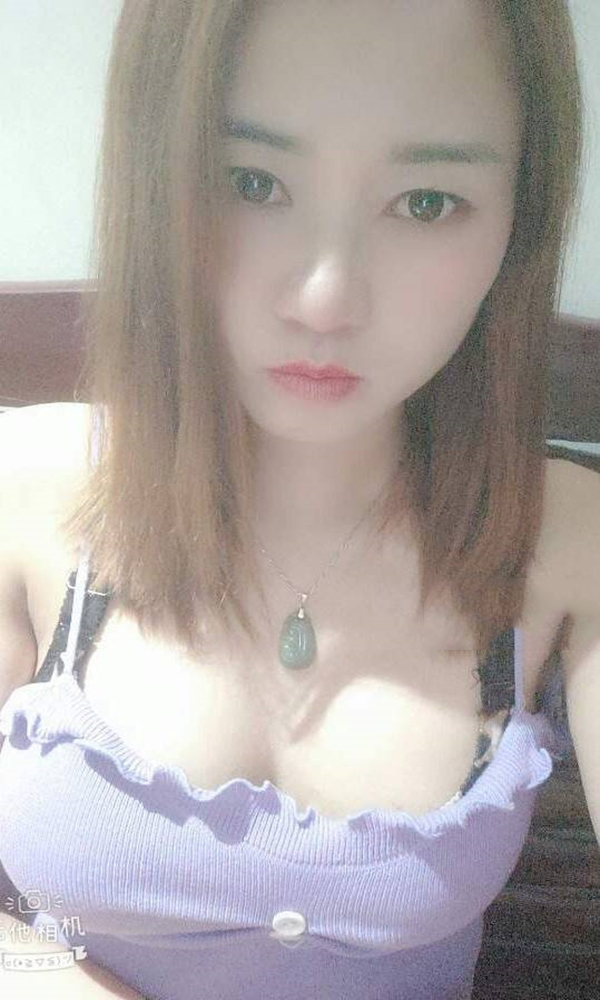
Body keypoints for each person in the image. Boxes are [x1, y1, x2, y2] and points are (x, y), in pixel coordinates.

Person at [0, 1, 594, 998]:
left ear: (517, 222)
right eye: (250, 182)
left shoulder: (562, 540)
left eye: (427, 202)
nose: (324, 299)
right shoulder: (26, 489)